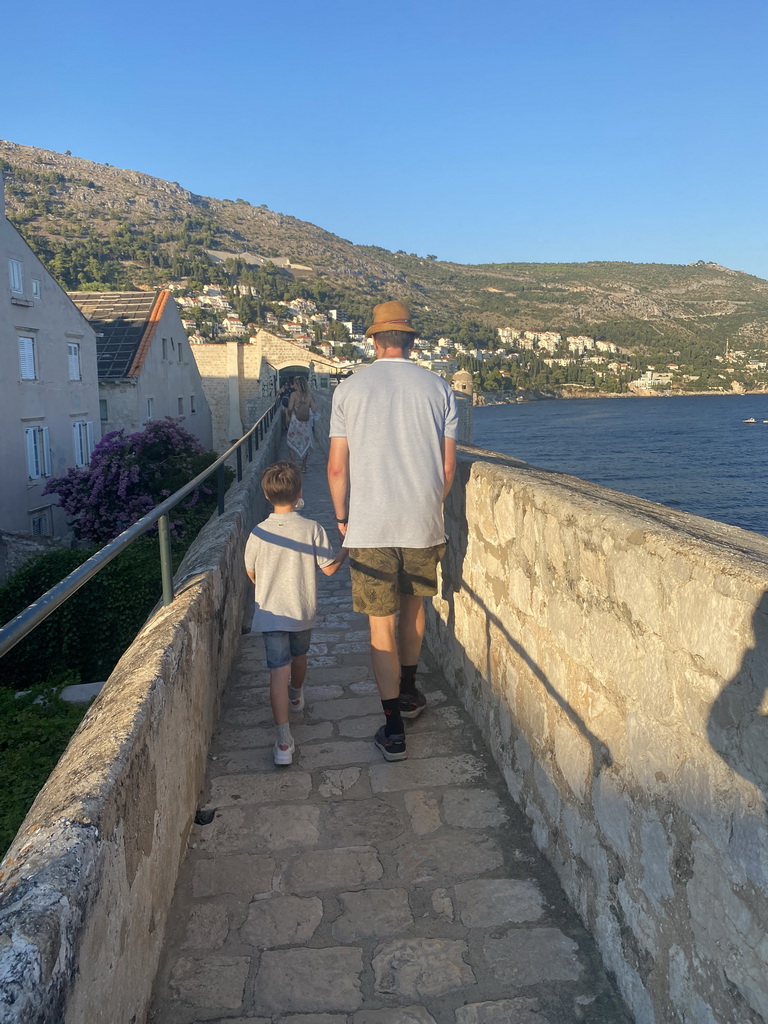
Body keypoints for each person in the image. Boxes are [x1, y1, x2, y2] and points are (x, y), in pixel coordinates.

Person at [327, 300, 458, 761]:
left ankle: (393, 729)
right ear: (411, 340)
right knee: (414, 607)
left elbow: (337, 469)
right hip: (421, 522)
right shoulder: (439, 388)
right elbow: (447, 468)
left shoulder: (348, 390)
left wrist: (344, 519)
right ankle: (409, 691)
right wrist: (426, 507)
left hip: (370, 527)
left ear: (373, 339)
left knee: (378, 624)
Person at [245, 462, 346, 765]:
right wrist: (347, 548)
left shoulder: (258, 533)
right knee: (299, 659)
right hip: (300, 610)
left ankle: (283, 742)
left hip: (272, 612)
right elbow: (329, 569)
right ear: (299, 492)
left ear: (266, 495)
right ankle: (297, 694)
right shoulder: (312, 528)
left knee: (277, 671)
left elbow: (251, 573)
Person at [286, 376, 316, 471]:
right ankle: (303, 466)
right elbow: (314, 408)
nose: (293, 385)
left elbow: (290, 408)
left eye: (295, 383)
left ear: (298, 384)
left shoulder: (294, 395)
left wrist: (290, 415)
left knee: (290, 442)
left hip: (295, 422)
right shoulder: (308, 395)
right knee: (305, 443)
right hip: (305, 423)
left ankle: (294, 464)